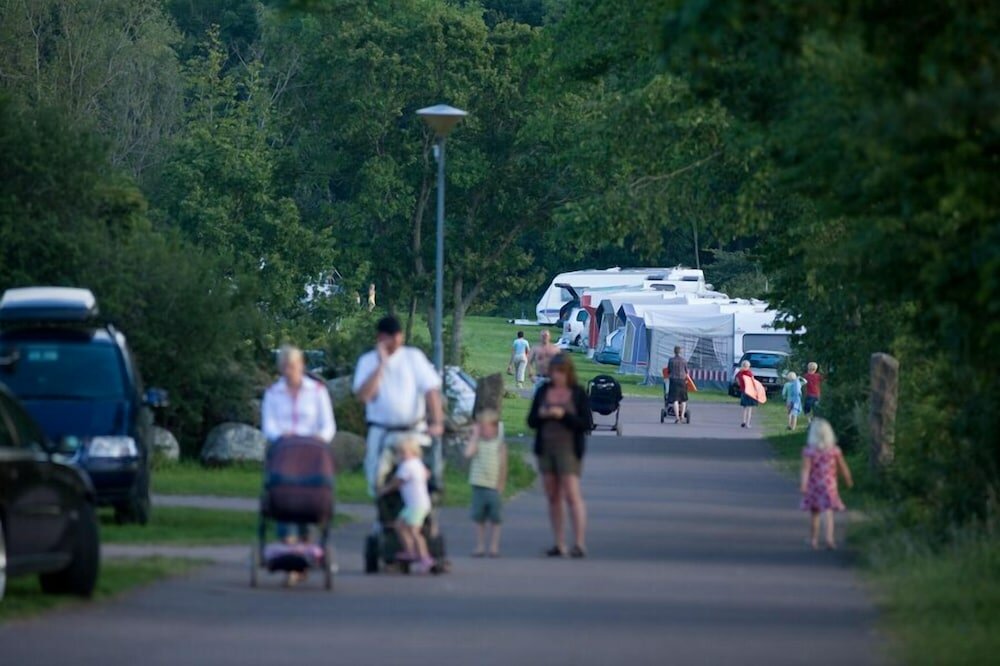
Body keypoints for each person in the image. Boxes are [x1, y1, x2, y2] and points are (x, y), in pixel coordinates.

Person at [260, 345, 337, 584]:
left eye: (292, 366)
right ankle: (290, 549)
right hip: (284, 452)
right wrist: (283, 436)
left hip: (311, 453)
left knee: (310, 493)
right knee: (283, 492)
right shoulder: (273, 393)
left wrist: (318, 439)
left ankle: (304, 543)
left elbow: (328, 425)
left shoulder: (317, 391)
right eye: (284, 366)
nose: (289, 370)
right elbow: (269, 425)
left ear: (301, 366)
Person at [353, 315, 444, 497]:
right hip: (381, 431)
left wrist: (437, 422)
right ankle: (383, 517)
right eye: (391, 336)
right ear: (380, 337)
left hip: (413, 431)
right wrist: (381, 365)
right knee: (376, 478)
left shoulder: (414, 357)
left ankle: (426, 515)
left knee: (424, 477)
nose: (396, 341)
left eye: (398, 336)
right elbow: (364, 396)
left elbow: (431, 391)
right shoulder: (368, 361)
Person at [527, 354, 592, 558]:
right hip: (546, 448)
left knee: (571, 494)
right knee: (553, 496)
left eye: (560, 372)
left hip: (569, 449)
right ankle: (559, 543)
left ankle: (579, 543)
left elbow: (586, 424)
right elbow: (531, 420)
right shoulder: (543, 391)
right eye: (553, 371)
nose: (556, 376)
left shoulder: (578, 393)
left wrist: (563, 415)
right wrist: (544, 415)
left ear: (568, 372)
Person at [378, 437, 434, 573]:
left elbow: (397, 482)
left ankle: (425, 558)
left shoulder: (407, 466)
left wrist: (384, 490)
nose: (402, 456)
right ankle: (410, 551)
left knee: (414, 531)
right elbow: (427, 474)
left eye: (404, 453)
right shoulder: (418, 463)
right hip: (416, 504)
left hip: (416, 505)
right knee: (399, 525)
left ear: (413, 452)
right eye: (400, 453)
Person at [799, 418, 853, 550]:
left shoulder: (809, 452)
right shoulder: (834, 451)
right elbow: (842, 467)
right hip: (829, 485)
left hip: (814, 486)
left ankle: (813, 540)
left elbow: (806, 470)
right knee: (828, 513)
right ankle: (829, 539)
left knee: (815, 513)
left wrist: (803, 484)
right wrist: (848, 479)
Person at [464, 410, 508, 557]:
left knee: (495, 518)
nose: (482, 430)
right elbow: (467, 454)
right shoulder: (478, 443)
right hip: (478, 485)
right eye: (480, 427)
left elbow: (503, 466)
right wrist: (475, 436)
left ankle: (494, 546)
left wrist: (501, 484)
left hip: (493, 487)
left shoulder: (499, 445)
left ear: (494, 427)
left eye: (485, 427)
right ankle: (480, 546)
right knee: (479, 518)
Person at [665, 346, 689, 424]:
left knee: (675, 399)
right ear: (680, 352)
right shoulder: (684, 361)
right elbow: (686, 371)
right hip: (682, 380)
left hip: (673, 380)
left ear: (674, 351)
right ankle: (682, 415)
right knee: (683, 399)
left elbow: (669, 370)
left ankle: (677, 417)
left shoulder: (671, 360)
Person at [735, 360, 757, 428]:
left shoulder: (739, 373)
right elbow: (753, 381)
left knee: (744, 408)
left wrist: (741, 385)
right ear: (748, 366)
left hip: (743, 391)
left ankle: (743, 421)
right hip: (750, 392)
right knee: (750, 408)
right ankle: (748, 423)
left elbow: (737, 381)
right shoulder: (749, 373)